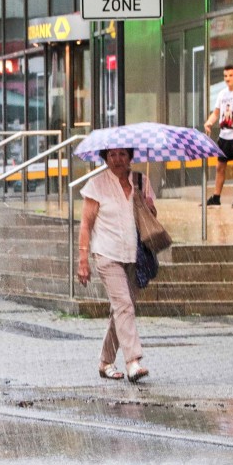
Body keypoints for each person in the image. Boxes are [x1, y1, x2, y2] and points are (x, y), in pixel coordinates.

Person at [77, 148, 153, 383]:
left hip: (135, 256)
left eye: (122, 154)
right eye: (112, 155)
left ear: (131, 156)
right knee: (124, 306)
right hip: (107, 254)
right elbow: (86, 224)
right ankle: (133, 361)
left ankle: (105, 362)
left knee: (120, 311)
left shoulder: (142, 180)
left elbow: (151, 216)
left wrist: (148, 204)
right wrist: (82, 259)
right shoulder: (96, 184)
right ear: (105, 158)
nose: (117, 159)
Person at [203, 65, 233, 208]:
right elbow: (216, 112)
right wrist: (209, 122)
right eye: (225, 76)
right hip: (224, 135)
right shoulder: (222, 94)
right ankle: (216, 196)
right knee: (220, 166)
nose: (227, 79)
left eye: (230, 75)